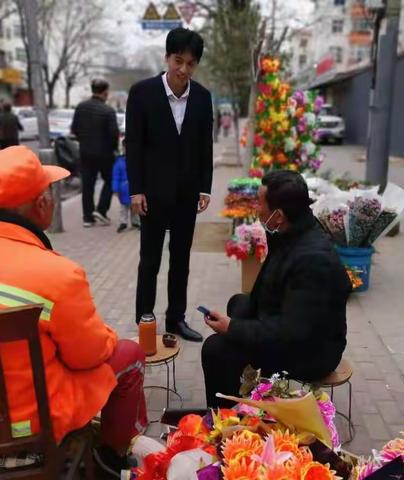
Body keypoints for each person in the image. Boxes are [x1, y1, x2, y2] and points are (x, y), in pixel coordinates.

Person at [0, 146, 160, 477]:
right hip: (27, 431)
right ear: (41, 204)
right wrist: (108, 335)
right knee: (129, 352)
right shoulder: (56, 274)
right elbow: (88, 356)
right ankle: (115, 456)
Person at [201, 170, 352, 407]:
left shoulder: (313, 260)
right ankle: (240, 390)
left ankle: (225, 419)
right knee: (238, 303)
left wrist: (233, 328)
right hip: (295, 324)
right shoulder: (292, 231)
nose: (256, 208)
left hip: (312, 352)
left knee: (216, 349)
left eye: (260, 202)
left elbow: (291, 333)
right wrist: (238, 323)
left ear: (279, 215)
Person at [126, 27, 213, 342]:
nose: (183, 69)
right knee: (149, 259)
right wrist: (135, 190)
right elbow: (133, 145)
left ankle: (176, 319)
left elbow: (206, 146)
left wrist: (205, 187)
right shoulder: (142, 93)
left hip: (187, 194)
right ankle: (144, 319)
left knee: (181, 259)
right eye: (178, 61)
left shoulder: (202, 97)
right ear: (167, 57)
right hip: (151, 194)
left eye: (191, 64)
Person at [71, 79, 119, 228]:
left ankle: (87, 218)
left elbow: (75, 129)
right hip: (105, 154)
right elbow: (113, 134)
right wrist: (113, 149)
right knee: (110, 180)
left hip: (85, 152)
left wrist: (84, 141)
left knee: (88, 184)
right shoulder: (108, 111)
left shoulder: (80, 107)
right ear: (105, 92)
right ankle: (101, 210)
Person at [112, 149, 140, 233]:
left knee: (134, 206)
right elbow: (115, 177)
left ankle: (134, 221)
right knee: (124, 207)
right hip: (124, 189)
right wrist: (115, 188)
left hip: (132, 188)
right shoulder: (119, 163)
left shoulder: (135, 162)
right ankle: (123, 222)